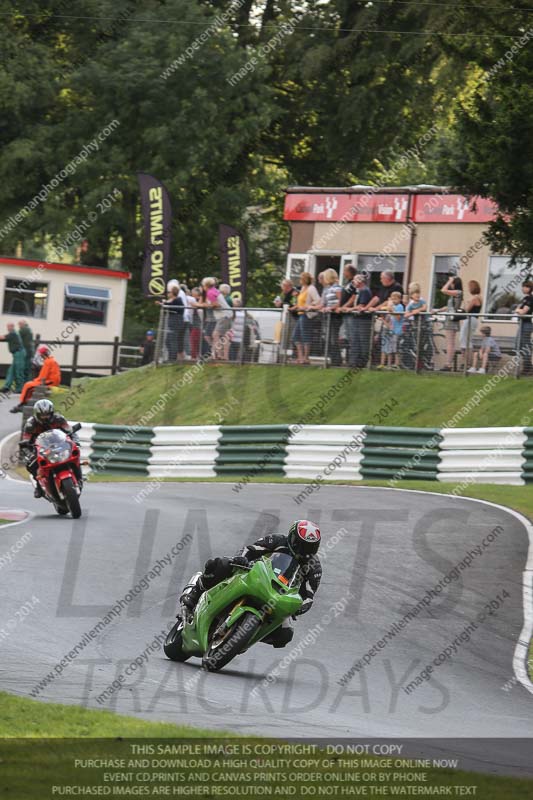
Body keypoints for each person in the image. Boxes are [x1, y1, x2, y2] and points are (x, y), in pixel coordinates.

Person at [179, 520, 322, 648]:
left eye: (310, 547)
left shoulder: (314, 567)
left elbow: (309, 596)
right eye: (301, 545)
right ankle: (194, 593)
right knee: (219, 564)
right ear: (292, 538)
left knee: (285, 635)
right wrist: (242, 559)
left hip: (279, 596)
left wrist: (300, 607)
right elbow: (250, 549)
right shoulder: (277, 540)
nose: (305, 551)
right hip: (253, 574)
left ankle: (248, 633)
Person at [19, 398, 81, 498]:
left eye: (47, 414)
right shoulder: (31, 424)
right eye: (42, 415)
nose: (45, 417)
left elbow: (70, 431)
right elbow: (26, 439)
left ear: (51, 413)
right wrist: (28, 450)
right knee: (31, 464)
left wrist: (75, 441)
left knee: (75, 452)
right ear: (37, 414)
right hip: (40, 448)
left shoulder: (59, 419)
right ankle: (39, 487)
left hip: (59, 444)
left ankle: (78, 474)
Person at [10, 345, 61, 412]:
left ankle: (22, 404)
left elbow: (43, 376)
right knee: (30, 386)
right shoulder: (50, 360)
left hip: (50, 382)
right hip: (51, 381)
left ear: (43, 354)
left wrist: (35, 381)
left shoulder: (48, 362)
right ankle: (26, 403)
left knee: (28, 386)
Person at [434, 273, 463, 371]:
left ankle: (448, 364)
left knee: (450, 342)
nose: (450, 285)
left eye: (452, 283)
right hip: (449, 319)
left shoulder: (458, 292)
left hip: (452, 320)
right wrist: (437, 310)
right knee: (450, 342)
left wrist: (450, 280)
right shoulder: (454, 294)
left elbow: (443, 290)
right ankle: (448, 363)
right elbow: (448, 307)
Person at [291, 272, 321, 364]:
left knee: (305, 336)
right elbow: (301, 301)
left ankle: (306, 358)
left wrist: (308, 306)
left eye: (301, 278)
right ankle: (300, 357)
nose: (299, 280)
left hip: (307, 315)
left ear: (304, 279)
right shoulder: (303, 288)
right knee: (295, 336)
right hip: (300, 314)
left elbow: (318, 301)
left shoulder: (311, 288)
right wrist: (295, 306)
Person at [348, 274, 373, 368]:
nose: (353, 282)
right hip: (357, 319)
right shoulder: (359, 291)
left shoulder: (364, 291)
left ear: (360, 281)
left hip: (363, 320)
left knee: (363, 341)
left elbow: (361, 306)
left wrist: (351, 309)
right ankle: (354, 362)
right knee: (355, 340)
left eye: (355, 280)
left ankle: (363, 362)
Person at [320, 268, 343, 366]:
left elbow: (341, 300)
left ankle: (337, 360)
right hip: (328, 315)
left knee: (333, 338)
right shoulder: (329, 288)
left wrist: (331, 308)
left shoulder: (337, 287)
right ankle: (332, 359)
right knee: (329, 338)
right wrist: (325, 308)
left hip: (335, 316)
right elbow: (327, 302)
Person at [378, 291, 404, 370]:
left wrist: (392, 311)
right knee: (389, 347)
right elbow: (381, 308)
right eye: (392, 299)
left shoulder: (399, 306)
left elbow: (399, 318)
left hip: (397, 330)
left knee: (395, 348)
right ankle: (384, 364)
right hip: (390, 330)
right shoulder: (391, 305)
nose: (393, 301)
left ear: (399, 299)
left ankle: (396, 364)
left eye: (395, 299)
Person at [459, 280, 482, 367]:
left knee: (465, 340)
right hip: (473, 320)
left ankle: (467, 363)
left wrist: (464, 304)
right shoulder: (478, 297)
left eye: (469, 287)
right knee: (466, 340)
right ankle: (466, 363)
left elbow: (466, 310)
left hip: (470, 320)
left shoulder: (475, 298)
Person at [158, 285, 184, 361]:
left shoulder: (178, 300)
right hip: (172, 322)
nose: (168, 294)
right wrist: (163, 303)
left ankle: (173, 359)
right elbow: (168, 304)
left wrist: (163, 304)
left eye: (169, 292)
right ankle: (170, 357)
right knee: (168, 341)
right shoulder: (173, 300)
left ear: (173, 293)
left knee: (172, 340)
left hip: (176, 322)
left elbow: (171, 306)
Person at [0, 323, 26, 395]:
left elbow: (2, 337)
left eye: (8, 326)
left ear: (12, 327)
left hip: (19, 353)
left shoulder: (13, 334)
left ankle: (20, 388)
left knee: (18, 371)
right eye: (7, 326)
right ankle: (6, 387)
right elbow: (4, 336)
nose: (7, 328)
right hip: (17, 354)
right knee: (11, 371)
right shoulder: (12, 334)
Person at [516, 280, 533, 375]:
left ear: (529, 288)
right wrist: (518, 310)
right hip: (522, 323)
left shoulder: (530, 299)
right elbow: (517, 310)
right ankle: (527, 365)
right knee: (518, 345)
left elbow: (523, 312)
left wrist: (518, 310)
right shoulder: (524, 299)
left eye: (525, 286)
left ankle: (527, 367)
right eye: (523, 286)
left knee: (525, 345)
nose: (523, 288)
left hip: (527, 325)